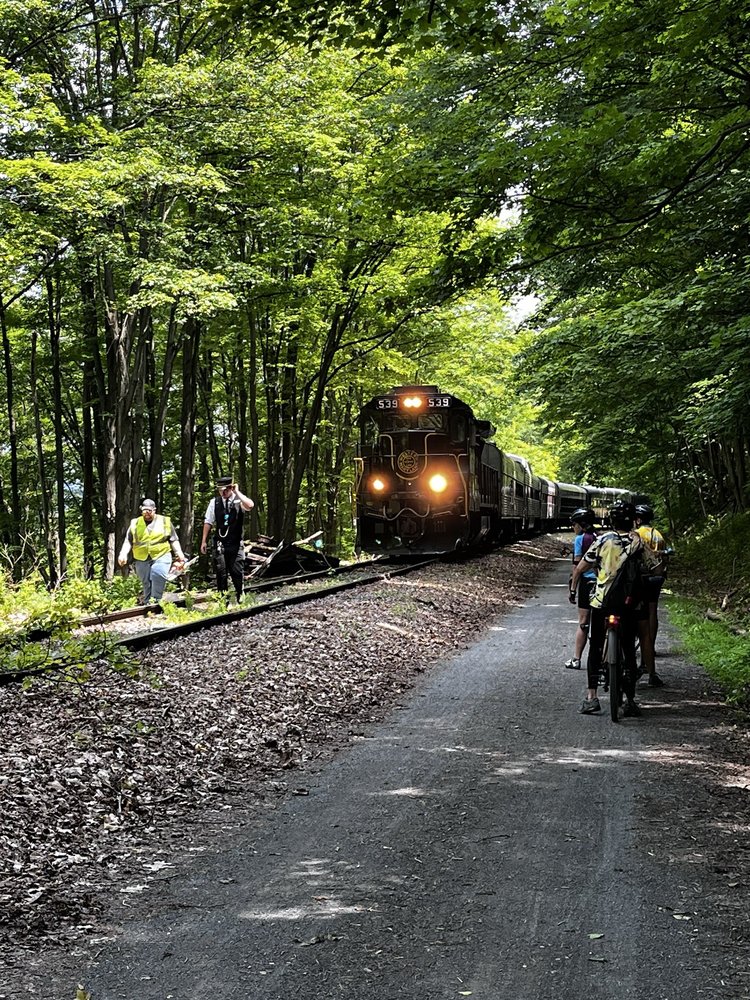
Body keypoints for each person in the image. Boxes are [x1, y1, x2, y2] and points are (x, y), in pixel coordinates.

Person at [571, 500, 650, 717]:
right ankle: (630, 700)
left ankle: (591, 697)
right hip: (629, 604)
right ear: (633, 519)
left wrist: (573, 588)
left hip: (602, 601)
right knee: (628, 649)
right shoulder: (639, 542)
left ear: (611, 519)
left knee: (596, 646)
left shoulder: (604, 539)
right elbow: (653, 566)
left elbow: (581, 566)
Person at [118, 498, 186, 605]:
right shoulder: (135, 523)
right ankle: (148, 604)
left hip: (162, 554)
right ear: (141, 510)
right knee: (146, 582)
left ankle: (155, 602)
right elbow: (128, 540)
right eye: (145, 510)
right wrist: (123, 554)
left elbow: (173, 539)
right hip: (141, 557)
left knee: (157, 574)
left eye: (149, 511)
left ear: (154, 510)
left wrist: (180, 554)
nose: (147, 513)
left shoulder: (165, 521)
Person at [201, 476, 254, 603]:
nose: (223, 493)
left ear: (230, 488)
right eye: (220, 490)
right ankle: (223, 600)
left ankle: (240, 595)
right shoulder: (215, 502)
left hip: (235, 542)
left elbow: (250, 505)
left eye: (225, 490)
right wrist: (203, 540)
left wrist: (237, 492)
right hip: (220, 542)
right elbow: (208, 521)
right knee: (221, 572)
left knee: (236, 571)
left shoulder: (238, 500)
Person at [635, 503, 669, 687]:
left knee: (639, 614)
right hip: (657, 578)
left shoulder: (638, 534)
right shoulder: (658, 535)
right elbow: (665, 557)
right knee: (652, 611)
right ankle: (651, 645)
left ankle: (641, 645)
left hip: (641, 578)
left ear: (638, 519)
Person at [565, 507, 597, 671]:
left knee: (583, 623)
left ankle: (576, 659)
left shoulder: (580, 539)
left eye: (574, 524)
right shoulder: (601, 537)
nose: (573, 527)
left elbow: (577, 566)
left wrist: (572, 589)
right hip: (601, 584)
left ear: (581, 525)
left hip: (586, 584)